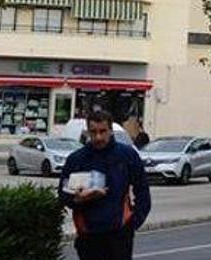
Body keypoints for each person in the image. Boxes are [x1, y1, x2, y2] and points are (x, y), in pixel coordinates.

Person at [58, 110, 151, 260]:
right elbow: (63, 195)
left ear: (111, 131)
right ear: (87, 132)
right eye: (93, 132)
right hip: (89, 235)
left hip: (119, 235)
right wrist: (78, 199)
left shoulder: (126, 155)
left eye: (103, 131)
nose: (98, 137)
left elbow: (143, 190)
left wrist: (132, 223)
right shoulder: (76, 160)